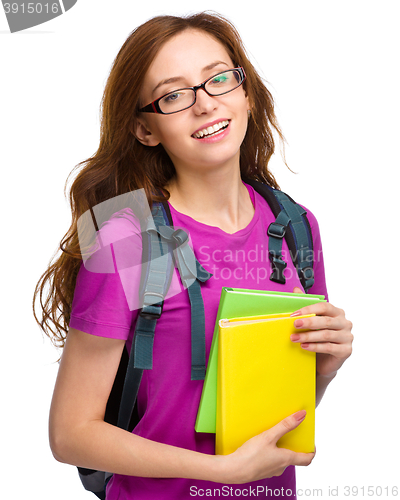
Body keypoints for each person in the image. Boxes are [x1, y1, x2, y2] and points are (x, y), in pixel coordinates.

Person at [33, 11, 353, 500]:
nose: (206, 105)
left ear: (245, 92)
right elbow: (70, 434)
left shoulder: (294, 227)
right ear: (145, 129)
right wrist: (219, 472)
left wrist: (324, 369)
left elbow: (280, 410)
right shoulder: (126, 236)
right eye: (175, 95)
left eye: (219, 79)